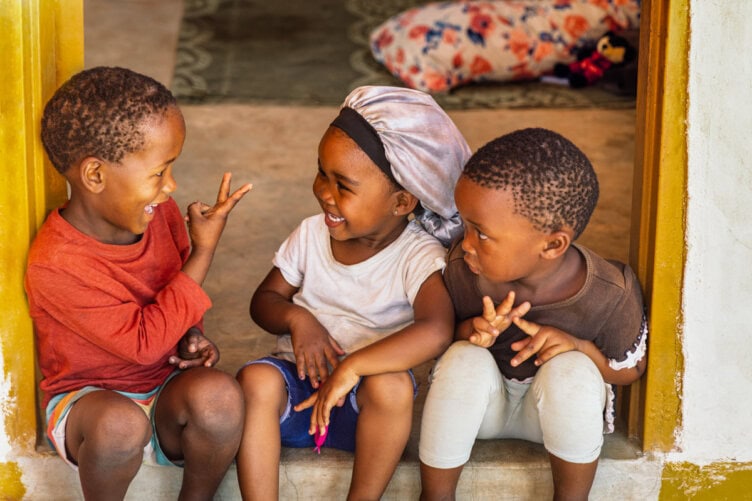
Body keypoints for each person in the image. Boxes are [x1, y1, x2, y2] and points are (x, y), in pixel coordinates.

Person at [25, 66, 252, 500]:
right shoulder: (56, 263)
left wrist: (191, 336)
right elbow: (144, 342)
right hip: (88, 405)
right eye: (158, 172)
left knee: (222, 396)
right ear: (95, 176)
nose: (171, 186)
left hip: (163, 387)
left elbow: (175, 293)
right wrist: (205, 251)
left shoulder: (158, 214)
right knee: (119, 424)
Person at [235, 85, 472, 500]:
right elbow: (264, 301)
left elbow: (437, 330)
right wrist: (296, 318)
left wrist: (355, 367)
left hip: (365, 405)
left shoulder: (418, 254)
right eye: (321, 173)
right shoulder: (310, 234)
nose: (324, 192)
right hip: (300, 389)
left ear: (401, 202)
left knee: (393, 386)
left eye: (343, 186)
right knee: (256, 380)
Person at [418, 128, 648, 500]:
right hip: (484, 410)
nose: (466, 243)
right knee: (463, 359)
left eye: (482, 233)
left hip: (552, 419)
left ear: (553, 244)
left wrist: (578, 346)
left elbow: (630, 372)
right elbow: (439, 337)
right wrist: (473, 332)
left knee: (571, 370)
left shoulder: (610, 292)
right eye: (465, 225)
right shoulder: (462, 270)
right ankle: (435, 496)